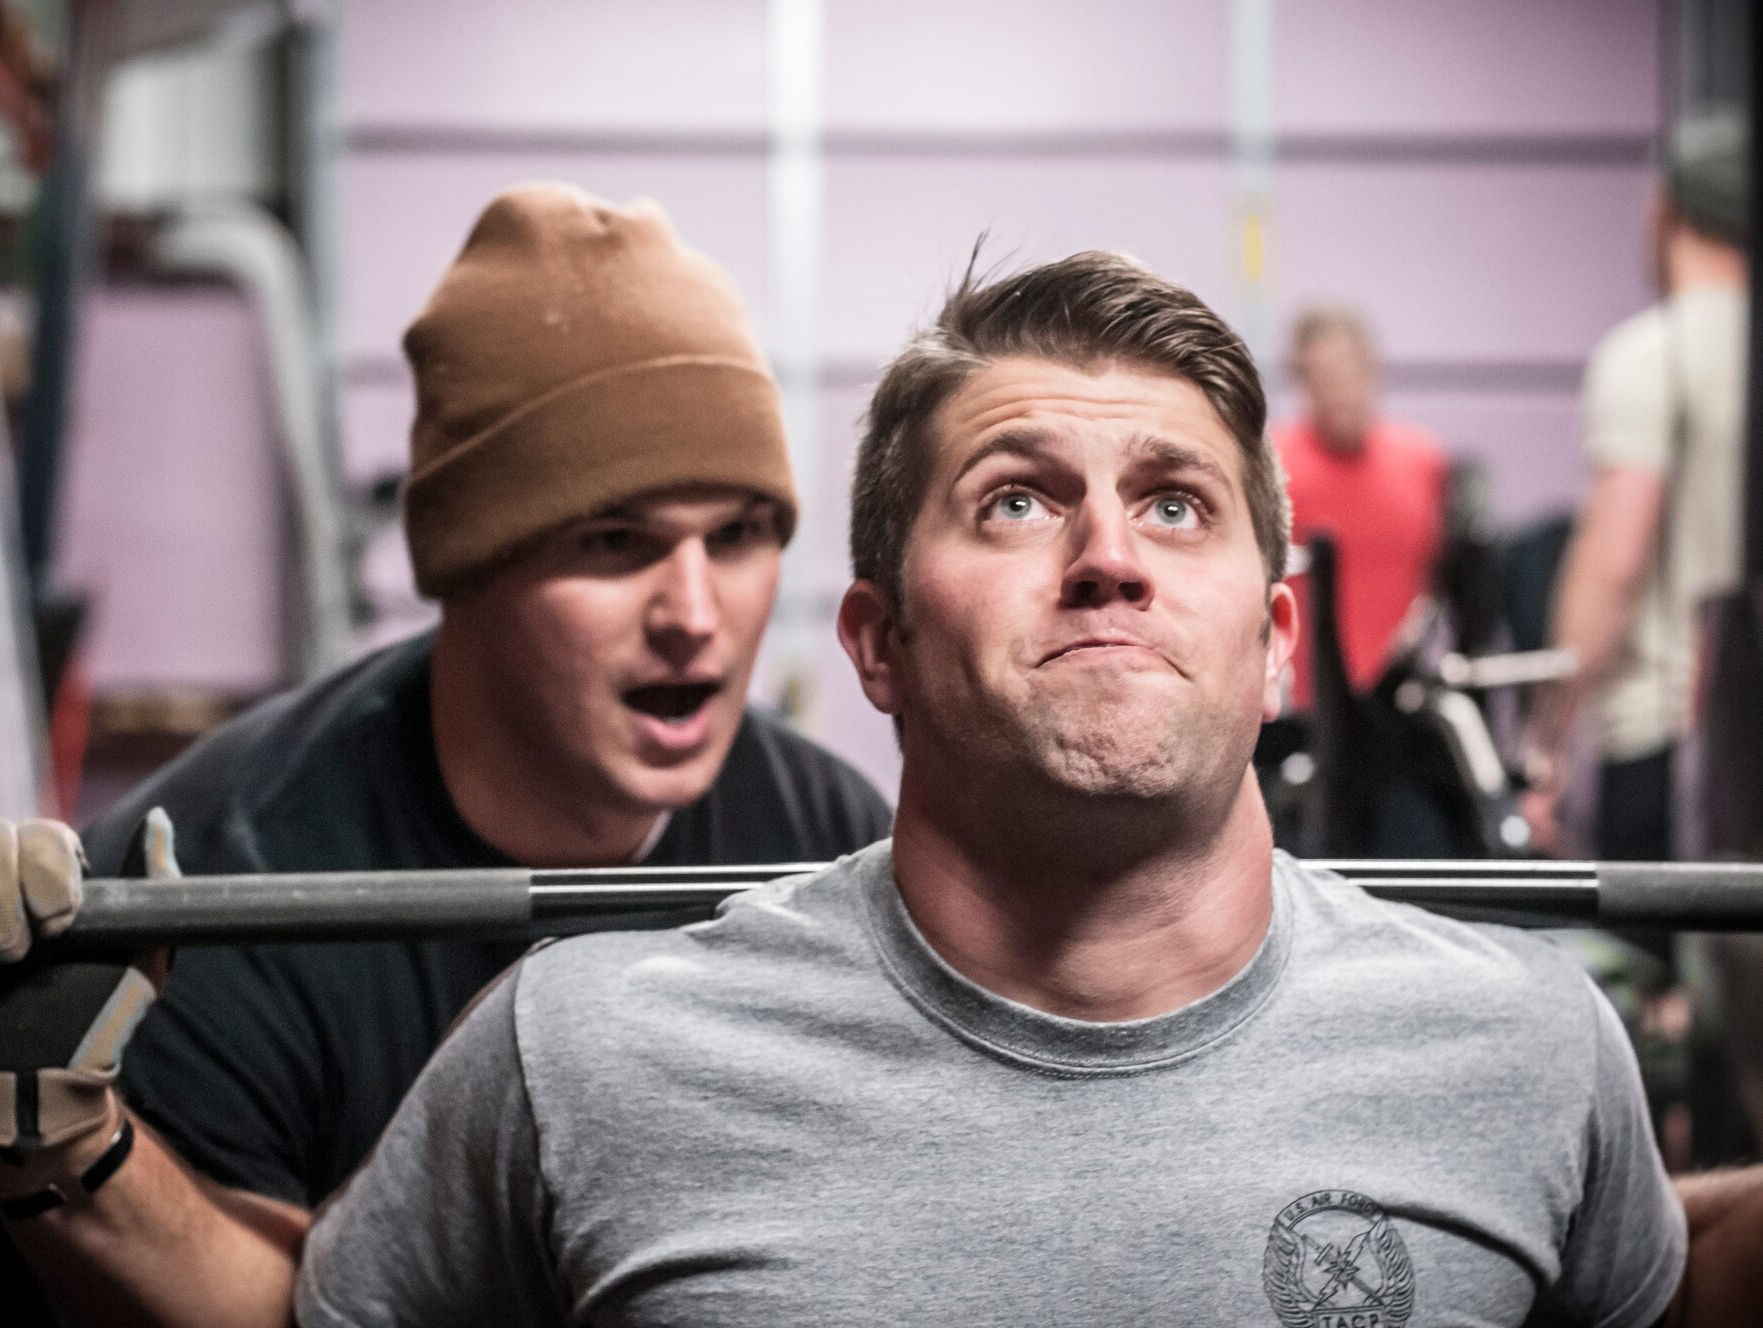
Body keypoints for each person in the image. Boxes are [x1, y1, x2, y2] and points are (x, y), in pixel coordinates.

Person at [294, 250, 1763, 1325]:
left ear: (1275, 644)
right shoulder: (583, 1058)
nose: (1108, 553)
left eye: (1175, 503)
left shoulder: (1528, 1051)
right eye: (1017, 497)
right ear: (879, 641)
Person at [0, 183, 890, 1324]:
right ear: (466, 560)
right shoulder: (220, 876)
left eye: (737, 535)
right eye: (613, 540)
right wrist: (56, 1139)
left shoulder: (817, 841)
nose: (694, 611)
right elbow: (292, 1313)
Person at [1523, 110, 1749, 863]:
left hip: (1667, 742)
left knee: (1655, 976)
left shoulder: (1650, 354)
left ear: (1665, 211)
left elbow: (1613, 563)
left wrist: (1547, 743)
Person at [1274, 306, 1448, 705]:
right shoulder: (1272, 463)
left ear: (1373, 371)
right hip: (1303, 700)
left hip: (1400, 697)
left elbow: (1437, 576)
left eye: (1351, 373)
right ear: (1303, 380)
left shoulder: (1422, 460)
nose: (1341, 391)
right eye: (1326, 377)